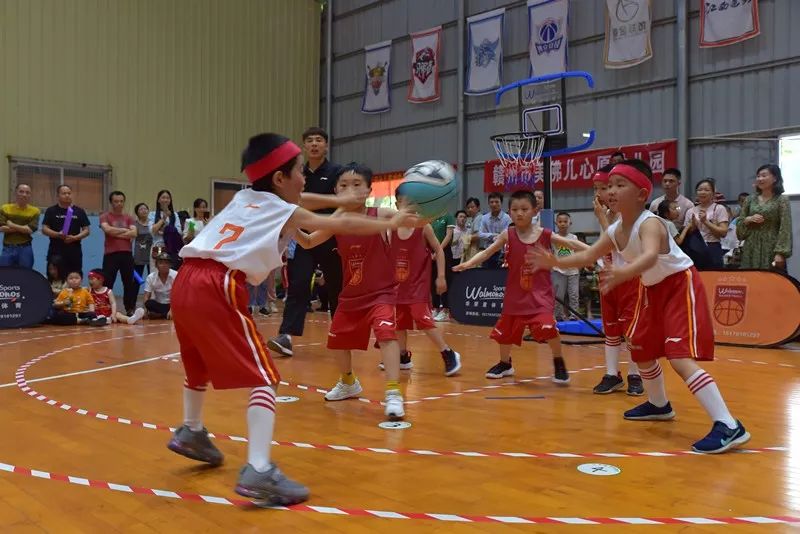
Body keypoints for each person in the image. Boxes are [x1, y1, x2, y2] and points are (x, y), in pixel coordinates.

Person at [166, 135, 415, 505]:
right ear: (281, 178)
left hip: (185, 279)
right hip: (218, 283)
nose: (305, 178)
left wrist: (339, 201)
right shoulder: (285, 210)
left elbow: (307, 202)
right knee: (265, 377)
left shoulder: (245, 197)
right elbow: (324, 220)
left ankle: (191, 429)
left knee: (197, 362)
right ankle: (260, 469)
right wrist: (389, 221)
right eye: (299, 171)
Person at [528, 159, 750, 454]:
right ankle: (659, 405)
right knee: (641, 350)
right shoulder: (616, 229)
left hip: (678, 285)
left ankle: (728, 424)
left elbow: (647, 256)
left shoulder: (651, 224)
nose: (611, 191)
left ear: (642, 194)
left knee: (679, 357)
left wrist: (623, 273)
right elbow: (586, 257)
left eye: (620, 185)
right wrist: (555, 261)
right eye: (609, 186)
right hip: (652, 289)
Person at [294, 162, 417, 421]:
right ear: (336, 191)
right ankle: (349, 382)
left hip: (382, 292)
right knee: (338, 342)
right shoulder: (334, 222)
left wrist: (421, 207)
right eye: (344, 186)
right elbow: (307, 242)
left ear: (369, 190)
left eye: (357, 184)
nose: (350, 190)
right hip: (351, 294)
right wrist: (289, 225)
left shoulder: (380, 215)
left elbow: (414, 221)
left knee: (386, 334)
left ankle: (393, 393)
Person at [454, 190, 585, 383]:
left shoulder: (545, 234)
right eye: (515, 209)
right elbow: (487, 253)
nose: (519, 213)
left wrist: (602, 250)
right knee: (505, 332)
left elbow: (572, 244)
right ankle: (505, 363)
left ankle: (558, 361)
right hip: (515, 295)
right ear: (509, 212)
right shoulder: (508, 234)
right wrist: (467, 264)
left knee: (549, 329)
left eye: (524, 209)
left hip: (540, 296)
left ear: (535, 211)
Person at [268, 127, 344, 358]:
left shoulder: (337, 172)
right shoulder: (296, 173)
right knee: (299, 284)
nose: (314, 144)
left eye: (319, 140)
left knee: (336, 288)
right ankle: (286, 336)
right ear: (303, 146)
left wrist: (332, 224)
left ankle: (342, 334)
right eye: (309, 140)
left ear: (326, 145)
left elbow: (343, 203)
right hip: (302, 238)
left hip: (330, 235)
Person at [590, 166, 644, 395]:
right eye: (599, 189)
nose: (604, 193)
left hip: (631, 279)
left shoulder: (631, 215)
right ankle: (612, 374)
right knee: (610, 329)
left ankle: (635, 374)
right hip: (608, 278)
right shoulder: (607, 215)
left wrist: (603, 219)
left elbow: (619, 244)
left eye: (608, 187)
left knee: (632, 331)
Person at [385, 217, 461, 376]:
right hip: (399, 283)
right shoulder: (391, 227)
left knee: (421, 317)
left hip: (418, 284)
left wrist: (441, 276)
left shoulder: (423, 226)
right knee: (399, 322)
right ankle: (403, 356)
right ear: (398, 204)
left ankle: (448, 352)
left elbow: (439, 250)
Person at [737, 164, 793, 270]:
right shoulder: (749, 199)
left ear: (775, 178)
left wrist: (780, 253)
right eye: (758, 176)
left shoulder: (782, 200)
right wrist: (748, 219)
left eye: (764, 175)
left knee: (771, 281)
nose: (760, 179)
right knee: (750, 280)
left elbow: (785, 228)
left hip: (771, 246)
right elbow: (740, 225)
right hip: (751, 246)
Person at [100, 191, 138, 315]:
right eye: (116, 201)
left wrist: (116, 232)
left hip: (127, 254)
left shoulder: (129, 217)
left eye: (121, 201)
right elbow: (107, 230)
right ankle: (105, 307)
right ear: (111, 202)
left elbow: (134, 233)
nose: (119, 204)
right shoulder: (105, 216)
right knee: (108, 281)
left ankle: (130, 308)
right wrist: (124, 231)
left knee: (129, 282)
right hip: (111, 254)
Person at [41, 185, 91, 275]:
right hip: (56, 251)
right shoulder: (51, 210)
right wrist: (57, 234)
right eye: (64, 193)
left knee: (74, 278)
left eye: (69, 193)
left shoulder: (79, 211)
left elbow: (86, 230)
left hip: (74, 251)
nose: (67, 195)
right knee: (54, 278)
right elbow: (44, 229)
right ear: (58, 196)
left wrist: (75, 238)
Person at [685, 179, 729, 270]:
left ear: (713, 193)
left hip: (712, 247)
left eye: (706, 190)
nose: (702, 192)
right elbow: (686, 233)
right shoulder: (690, 211)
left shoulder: (719, 208)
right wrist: (693, 226)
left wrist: (706, 222)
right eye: (700, 190)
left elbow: (724, 232)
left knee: (713, 278)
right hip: (694, 248)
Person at [0, 183, 40, 268]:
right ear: (15, 193)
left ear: (30, 195)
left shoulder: (35, 211)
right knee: (4, 275)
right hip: (8, 248)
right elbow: (2, 228)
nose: (24, 194)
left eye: (27, 192)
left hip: (25, 248)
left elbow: (30, 230)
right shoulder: (5, 208)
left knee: (26, 275)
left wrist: (11, 224)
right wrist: (23, 228)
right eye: (21, 191)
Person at [551, 212, 580, 321]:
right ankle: (559, 316)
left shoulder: (574, 237)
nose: (562, 224)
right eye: (560, 222)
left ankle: (574, 316)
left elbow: (577, 252)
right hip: (558, 271)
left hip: (573, 271)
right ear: (556, 223)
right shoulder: (553, 237)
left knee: (574, 295)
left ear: (570, 223)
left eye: (565, 221)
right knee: (558, 296)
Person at [149, 190, 184, 270]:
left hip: (171, 248)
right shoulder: (152, 214)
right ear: (158, 200)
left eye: (168, 198)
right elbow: (152, 230)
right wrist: (164, 218)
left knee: (171, 272)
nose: (165, 200)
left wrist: (165, 231)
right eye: (163, 197)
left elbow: (179, 232)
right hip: (158, 247)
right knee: (156, 272)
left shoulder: (174, 215)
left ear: (170, 200)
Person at [430, 211, 455, 321]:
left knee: (444, 279)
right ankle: (435, 308)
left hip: (444, 252)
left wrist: (438, 249)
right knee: (432, 280)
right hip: (431, 253)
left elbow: (448, 235)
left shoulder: (448, 216)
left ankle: (445, 310)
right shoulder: (431, 217)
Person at [478, 192, 511, 268]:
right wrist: (493, 236)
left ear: (501, 203)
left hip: (502, 253)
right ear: (488, 204)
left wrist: (497, 237)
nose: (494, 204)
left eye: (496, 202)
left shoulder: (507, 218)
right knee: (487, 277)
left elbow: (508, 234)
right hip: (488, 252)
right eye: (491, 202)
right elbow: (480, 234)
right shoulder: (484, 218)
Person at [143, 254, 177, 319]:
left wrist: (172, 310)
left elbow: (178, 296)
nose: (164, 265)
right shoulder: (151, 277)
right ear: (156, 265)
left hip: (173, 305)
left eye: (166, 263)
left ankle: (160, 315)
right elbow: (146, 296)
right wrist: (145, 310)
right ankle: (165, 315)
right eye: (161, 263)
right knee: (149, 303)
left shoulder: (176, 275)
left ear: (170, 265)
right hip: (159, 305)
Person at [133, 203, 153, 278]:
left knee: (151, 277)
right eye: (141, 209)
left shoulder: (153, 223)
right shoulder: (134, 224)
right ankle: (134, 290)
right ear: (137, 212)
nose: (144, 211)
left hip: (151, 254)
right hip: (139, 254)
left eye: (145, 209)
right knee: (136, 279)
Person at [462, 198, 483, 264]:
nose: (470, 209)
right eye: (468, 208)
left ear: (478, 207)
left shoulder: (479, 218)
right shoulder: (471, 219)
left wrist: (465, 238)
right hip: (472, 248)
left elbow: (478, 235)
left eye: (472, 207)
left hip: (477, 249)